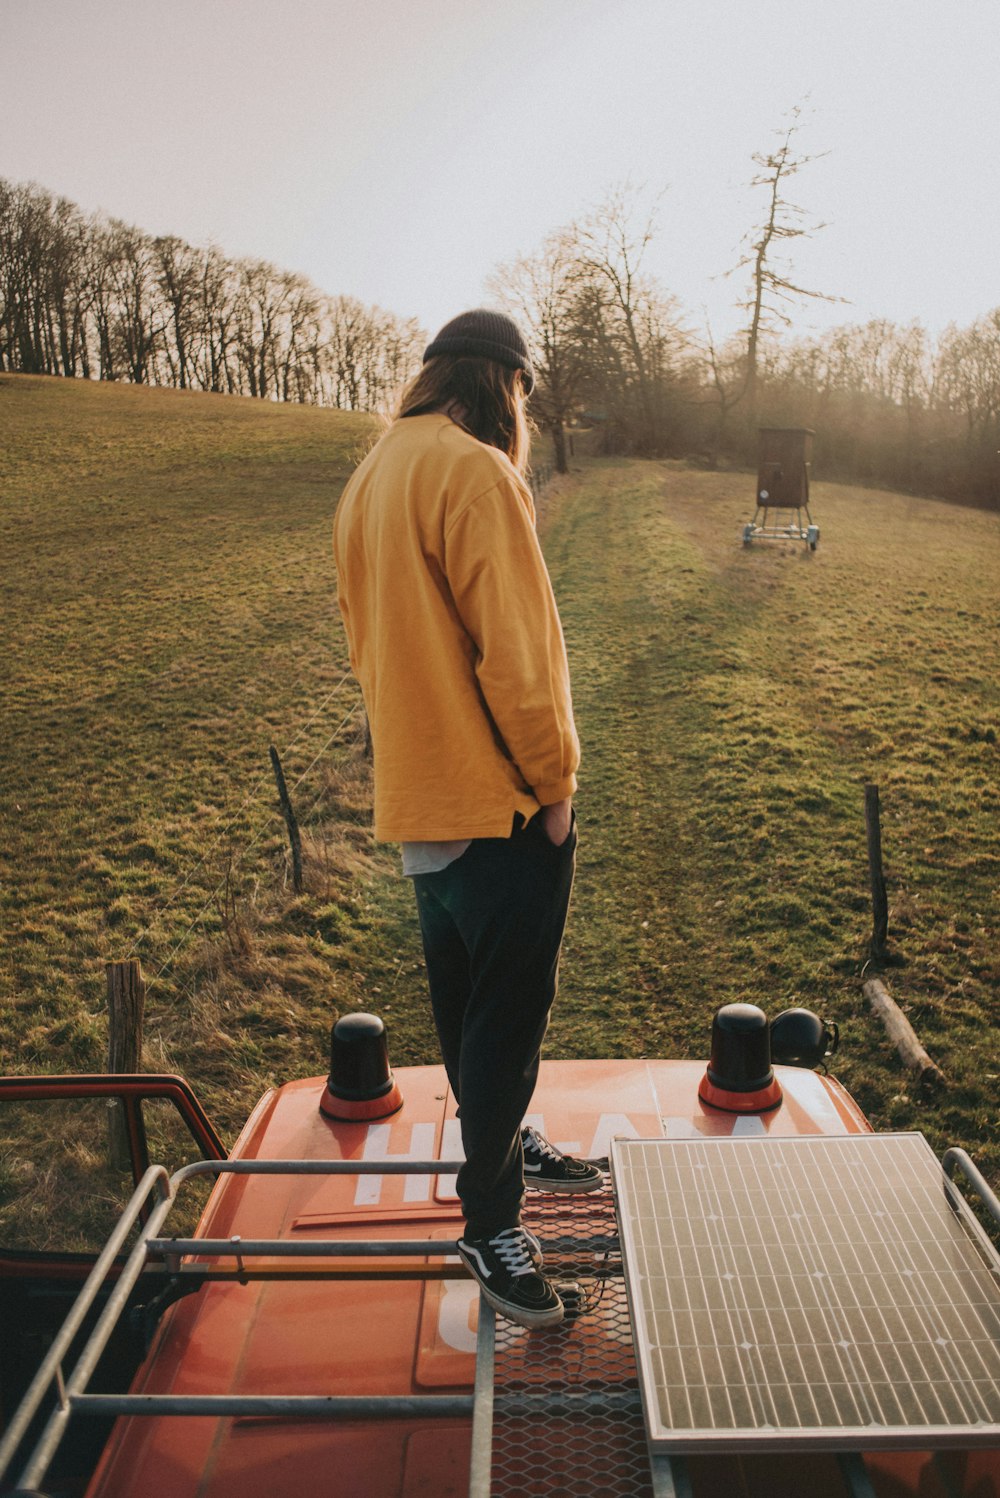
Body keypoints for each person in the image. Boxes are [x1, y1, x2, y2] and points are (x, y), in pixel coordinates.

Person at [333, 309, 602, 1330]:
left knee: (466, 1015)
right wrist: (556, 786)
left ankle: (503, 1133)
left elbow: (370, 650)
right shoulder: (476, 470)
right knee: (508, 1019)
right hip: (496, 804)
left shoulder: (369, 477)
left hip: (419, 803)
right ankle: (491, 1225)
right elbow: (518, 656)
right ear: (502, 386)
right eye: (522, 399)